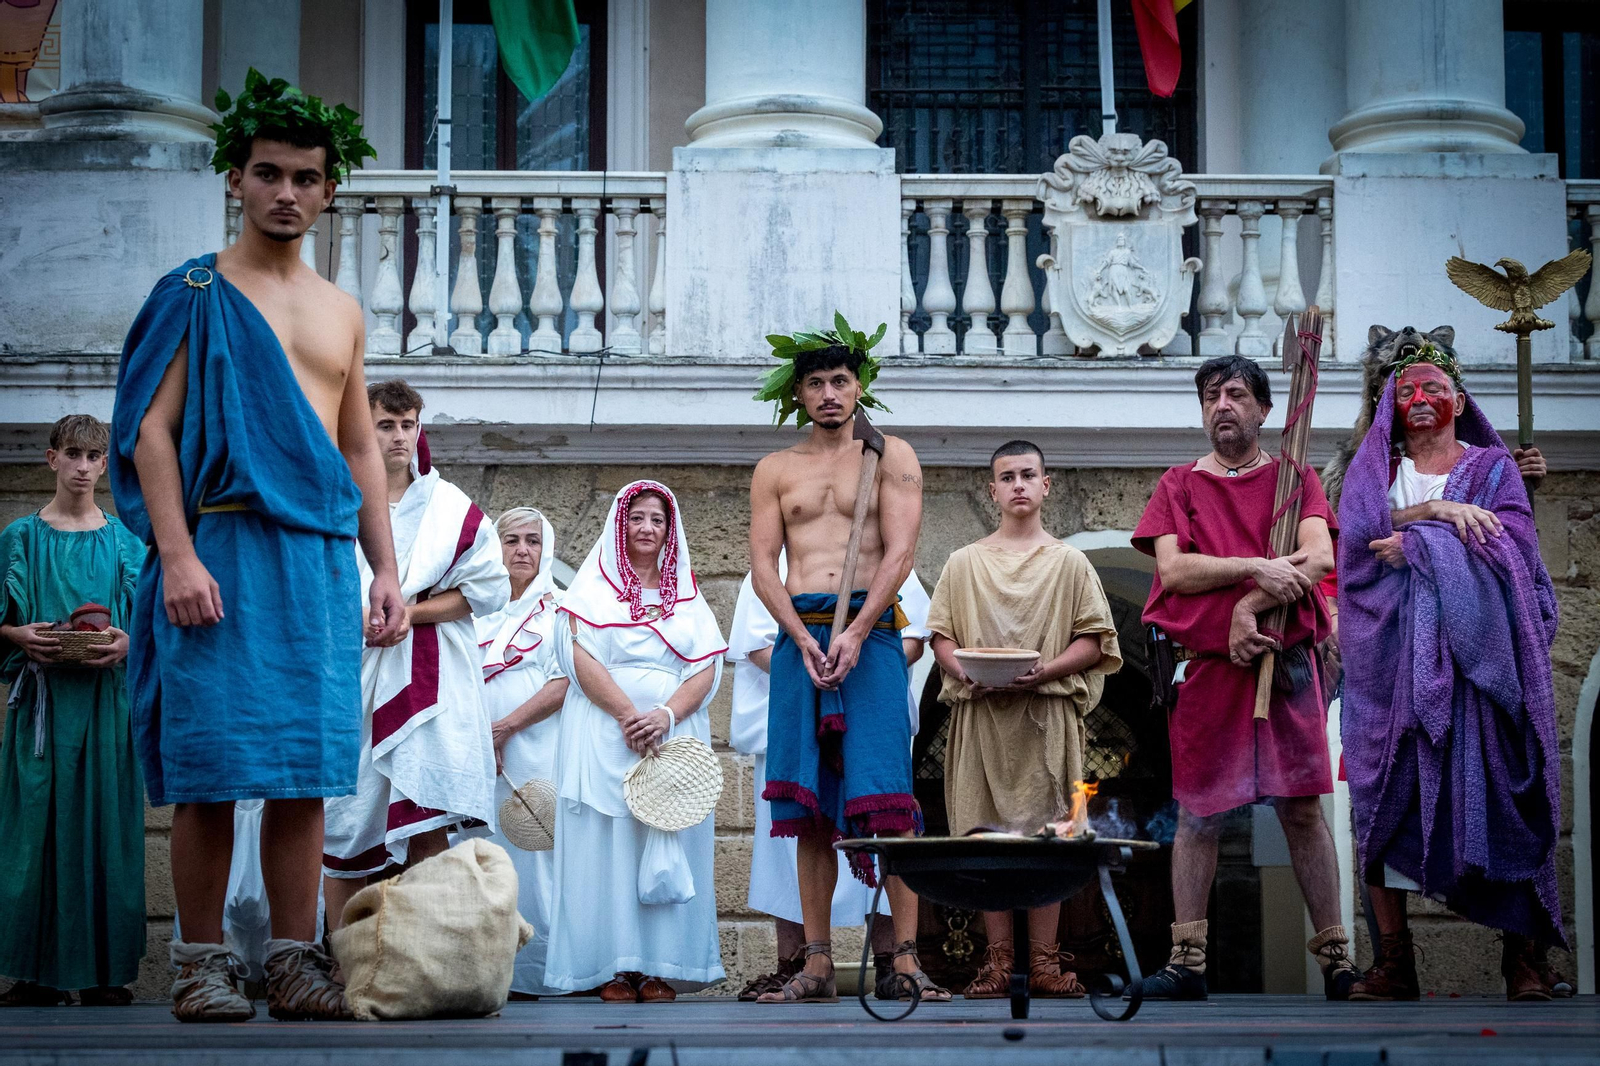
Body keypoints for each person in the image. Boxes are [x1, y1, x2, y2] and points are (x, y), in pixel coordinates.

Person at [110, 71, 405, 1022]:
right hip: (222, 550)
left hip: (318, 560)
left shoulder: (342, 310)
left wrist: (387, 569)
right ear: (234, 180)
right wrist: (179, 554)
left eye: (305, 177)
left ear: (329, 190)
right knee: (207, 769)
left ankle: (289, 961)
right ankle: (199, 963)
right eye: (267, 173)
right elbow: (150, 432)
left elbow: (358, 443)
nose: (286, 191)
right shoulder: (194, 290)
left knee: (306, 769)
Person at [1337, 345, 1567, 1001]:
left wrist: (1414, 546)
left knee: (1504, 799)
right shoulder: (1373, 473)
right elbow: (1359, 544)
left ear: (1459, 402)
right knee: (1382, 804)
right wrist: (1438, 517)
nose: (1418, 397)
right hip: (1389, 672)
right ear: (1390, 404)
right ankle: (1394, 964)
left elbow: (1514, 545)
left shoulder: (1494, 468)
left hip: (1479, 668)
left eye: (1433, 386)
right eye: (1405, 389)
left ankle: (1522, 960)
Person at [1131, 355, 1356, 1001]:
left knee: (1302, 811)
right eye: (1210, 395)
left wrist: (1247, 605)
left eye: (1235, 394)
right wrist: (1257, 568)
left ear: (1262, 409)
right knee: (1198, 814)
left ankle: (1337, 961)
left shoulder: (1294, 478)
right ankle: (1187, 963)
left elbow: (1316, 558)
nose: (1221, 404)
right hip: (1209, 671)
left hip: (1285, 666)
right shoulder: (1178, 484)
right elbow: (1174, 572)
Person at [748, 315, 949, 1004]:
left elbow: (900, 554)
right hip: (799, 640)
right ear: (798, 394)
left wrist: (859, 631)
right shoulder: (776, 469)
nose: (830, 393)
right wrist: (802, 640)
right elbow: (760, 565)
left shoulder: (891, 456)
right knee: (807, 810)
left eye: (840, 380)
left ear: (859, 384)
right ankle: (817, 964)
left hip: (873, 639)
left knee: (889, 802)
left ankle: (907, 960)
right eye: (816, 383)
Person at [926, 439, 1122, 1000]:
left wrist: (1045, 671)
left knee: (1049, 838)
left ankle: (1043, 962)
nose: (1017, 484)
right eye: (1006, 476)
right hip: (981, 718)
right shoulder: (965, 562)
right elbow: (941, 637)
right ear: (992, 490)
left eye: (1027, 475)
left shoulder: (1069, 563)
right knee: (984, 836)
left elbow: (1094, 640)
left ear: (1045, 484)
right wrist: (965, 672)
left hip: (1047, 714)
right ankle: (996, 962)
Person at [322, 381, 508, 925]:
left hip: (432, 680)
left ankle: (421, 959)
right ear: (362, 429)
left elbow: (486, 591)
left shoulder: (449, 506)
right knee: (347, 823)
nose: (398, 436)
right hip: (352, 669)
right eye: (385, 425)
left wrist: (408, 611)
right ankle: (344, 961)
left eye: (407, 425)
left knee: (426, 818)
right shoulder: (335, 501)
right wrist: (356, 614)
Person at [543, 481, 727, 1002]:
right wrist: (628, 714)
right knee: (606, 851)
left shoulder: (688, 598)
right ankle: (612, 969)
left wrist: (665, 715)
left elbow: (706, 668)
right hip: (605, 734)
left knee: (667, 843)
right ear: (620, 525)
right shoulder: (589, 592)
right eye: (637, 518)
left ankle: (659, 967)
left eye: (658, 520)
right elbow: (579, 657)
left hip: (670, 739)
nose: (647, 528)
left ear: (671, 531)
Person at [729, 553, 932, 1001]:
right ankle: (808, 961)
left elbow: (916, 635)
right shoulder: (787, 555)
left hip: (872, 679)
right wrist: (812, 658)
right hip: (803, 685)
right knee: (812, 820)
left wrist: (863, 656)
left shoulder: (886, 550)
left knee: (889, 813)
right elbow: (757, 640)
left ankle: (898, 960)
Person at [0, 415, 145, 1007]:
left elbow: (152, 627)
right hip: (40, 711)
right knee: (33, 835)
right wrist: (16, 635)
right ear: (51, 458)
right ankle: (33, 976)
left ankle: (106, 976)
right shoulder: (19, 539)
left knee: (107, 833)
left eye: (95, 456)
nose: (84, 466)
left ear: (105, 464)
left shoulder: (125, 541)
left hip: (106, 712)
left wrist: (127, 641)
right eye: (74, 454)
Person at [474, 506, 569, 997]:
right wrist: (477, 736)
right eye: (511, 541)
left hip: (534, 750)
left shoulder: (560, 610)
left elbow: (564, 684)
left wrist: (506, 728)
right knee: (475, 853)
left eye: (532, 541)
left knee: (533, 851)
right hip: (473, 753)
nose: (522, 550)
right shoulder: (473, 608)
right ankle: (479, 969)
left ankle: (538, 973)